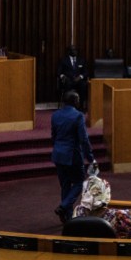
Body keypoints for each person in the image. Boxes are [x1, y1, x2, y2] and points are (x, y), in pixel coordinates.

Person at [51, 90, 95, 223]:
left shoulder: (55, 115)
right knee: (79, 183)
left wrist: (58, 148)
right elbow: (83, 139)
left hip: (58, 154)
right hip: (72, 155)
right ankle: (64, 207)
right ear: (75, 101)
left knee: (65, 185)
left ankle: (67, 217)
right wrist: (91, 158)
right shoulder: (78, 116)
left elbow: (54, 136)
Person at [73, 174, 131, 238]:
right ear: (106, 194)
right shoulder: (119, 216)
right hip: (110, 250)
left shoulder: (78, 211)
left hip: (85, 250)